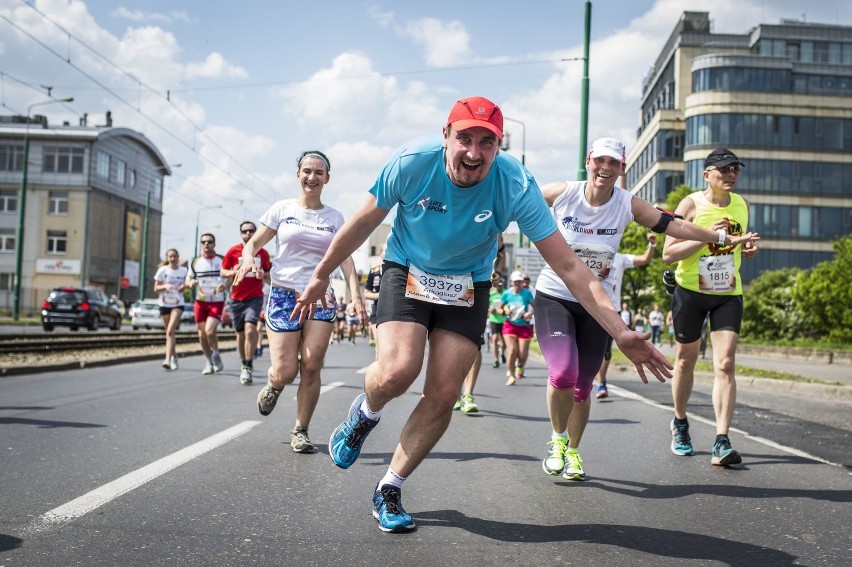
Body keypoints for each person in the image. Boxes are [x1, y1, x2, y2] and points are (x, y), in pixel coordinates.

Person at [291, 97, 672, 534]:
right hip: (407, 269)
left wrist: (620, 332)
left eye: (486, 142)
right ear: (445, 137)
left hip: (467, 283)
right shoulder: (412, 162)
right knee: (398, 370)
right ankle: (366, 412)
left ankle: (390, 486)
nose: (473, 153)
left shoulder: (515, 185)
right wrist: (322, 275)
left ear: (498, 145)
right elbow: (361, 223)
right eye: (464, 139)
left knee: (444, 391)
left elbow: (570, 267)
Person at [536, 137, 759, 481]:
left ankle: (575, 452)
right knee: (563, 372)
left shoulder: (628, 203)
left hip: (598, 304)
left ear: (622, 169)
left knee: (583, 386)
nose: (605, 168)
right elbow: (517, 202)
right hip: (555, 296)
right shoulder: (562, 192)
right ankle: (557, 439)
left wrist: (719, 239)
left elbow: (675, 226)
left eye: (614, 163)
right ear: (588, 161)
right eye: (600, 160)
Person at [231, 150, 365, 454]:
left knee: (312, 366)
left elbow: (345, 259)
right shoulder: (282, 209)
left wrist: (355, 295)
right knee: (286, 369)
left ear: (327, 179)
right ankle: (276, 384)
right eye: (307, 171)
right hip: (283, 295)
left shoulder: (334, 218)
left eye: (319, 173)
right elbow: (254, 242)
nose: (312, 177)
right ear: (298, 175)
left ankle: (300, 430)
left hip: (321, 298)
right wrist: (248, 258)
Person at [663, 147, 760, 466]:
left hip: (728, 292)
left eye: (735, 169)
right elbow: (669, 254)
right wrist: (709, 238)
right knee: (686, 361)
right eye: (723, 169)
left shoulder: (743, 204)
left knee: (726, 363)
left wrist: (747, 248)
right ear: (707, 175)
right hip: (691, 291)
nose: (730, 174)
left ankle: (722, 440)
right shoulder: (691, 204)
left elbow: (738, 241)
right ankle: (679, 422)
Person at [594, 234, 656, 399]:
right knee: (590, 349)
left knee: (605, 351)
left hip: (614, 310)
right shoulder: (593, 253)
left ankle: (601, 383)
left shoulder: (621, 258)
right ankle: (588, 378)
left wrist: (652, 244)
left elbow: (644, 259)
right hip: (593, 307)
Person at [221, 221, 272, 385]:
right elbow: (223, 271)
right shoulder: (233, 251)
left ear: (256, 232)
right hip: (236, 298)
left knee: (250, 331)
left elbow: (269, 274)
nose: (248, 234)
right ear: (241, 233)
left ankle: (248, 366)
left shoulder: (263, 253)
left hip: (254, 297)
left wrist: (263, 275)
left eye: (251, 231)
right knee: (240, 334)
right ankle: (244, 362)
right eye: (245, 231)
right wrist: (233, 271)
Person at [186, 233, 226, 375]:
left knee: (210, 330)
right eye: (203, 242)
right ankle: (208, 361)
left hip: (216, 300)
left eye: (209, 241)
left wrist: (224, 285)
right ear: (201, 244)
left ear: (214, 244)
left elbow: (230, 277)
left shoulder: (221, 260)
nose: (206, 244)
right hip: (200, 301)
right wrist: (191, 282)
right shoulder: (195, 261)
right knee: (202, 334)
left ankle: (215, 354)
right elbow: (188, 279)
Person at [152, 248, 188, 371]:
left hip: (178, 303)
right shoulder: (162, 270)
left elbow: (186, 286)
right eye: (170, 257)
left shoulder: (184, 270)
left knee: (170, 331)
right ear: (167, 258)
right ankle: (174, 356)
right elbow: (156, 288)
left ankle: (167, 359)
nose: (172, 259)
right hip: (164, 303)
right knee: (169, 333)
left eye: (174, 256)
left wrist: (184, 287)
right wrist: (165, 286)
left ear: (178, 257)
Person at [500, 270, 535, 385]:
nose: (517, 284)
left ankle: (520, 366)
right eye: (515, 282)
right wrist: (505, 310)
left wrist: (530, 314)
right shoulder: (506, 293)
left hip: (524, 325)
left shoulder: (527, 293)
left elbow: (537, 307)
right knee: (512, 350)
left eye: (519, 281)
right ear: (511, 282)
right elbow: (500, 307)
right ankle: (511, 375)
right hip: (510, 324)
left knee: (522, 354)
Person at [364, 246, 385, 348]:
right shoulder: (374, 271)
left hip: (394, 310)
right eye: (386, 250)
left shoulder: (400, 270)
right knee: (379, 344)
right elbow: (366, 293)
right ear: (381, 253)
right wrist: (379, 295)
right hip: (377, 310)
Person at [486, 270, 507, 368]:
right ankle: (495, 359)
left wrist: (503, 309)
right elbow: (488, 307)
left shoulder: (506, 294)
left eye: (502, 285)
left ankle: (502, 352)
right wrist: (490, 309)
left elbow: (509, 305)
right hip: (494, 320)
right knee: (494, 339)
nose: (500, 287)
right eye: (499, 285)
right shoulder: (492, 294)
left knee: (504, 341)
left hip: (504, 320)